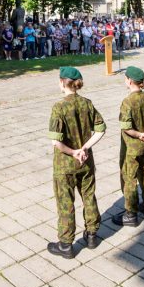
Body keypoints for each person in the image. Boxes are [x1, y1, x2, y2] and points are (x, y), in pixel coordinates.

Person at [47, 67, 106, 259]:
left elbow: (56, 142)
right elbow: (101, 130)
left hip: (65, 165)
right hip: (85, 162)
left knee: (66, 202)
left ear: (63, 83)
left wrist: (74, 152)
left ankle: (66, 244)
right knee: (89, 197)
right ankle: (91, 235)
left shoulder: (59, 107)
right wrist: (84, 149)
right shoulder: (87, 104)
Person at [114, 66, 144, 227]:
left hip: (131, 147)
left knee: (130, 178)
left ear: (128, 81)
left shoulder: (128, 101)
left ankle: (131, 213)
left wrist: (139, 134)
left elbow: (126, 127)